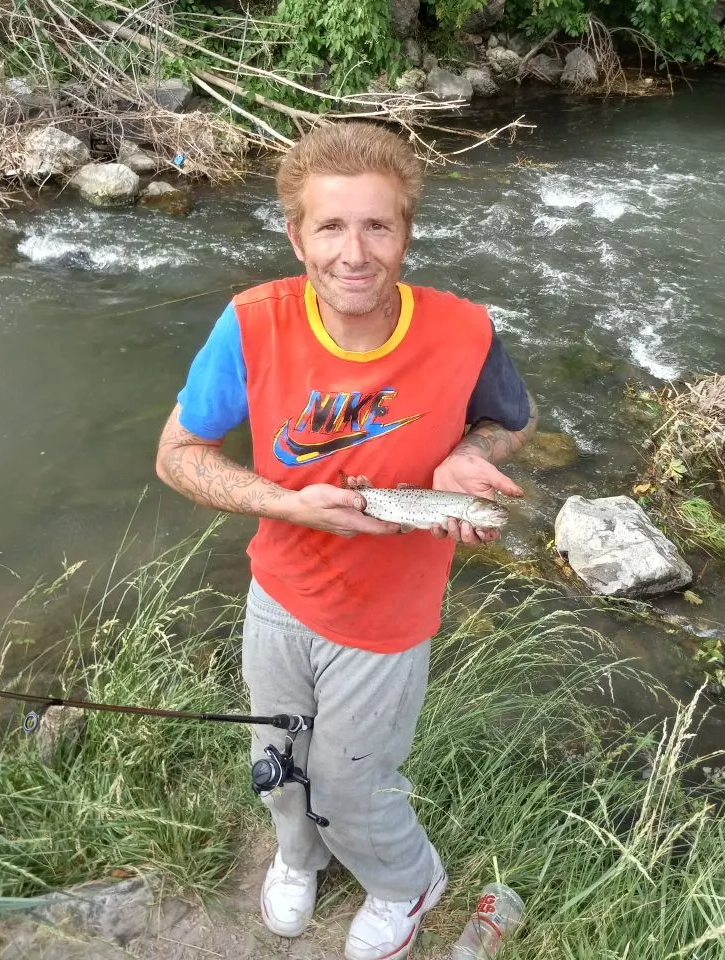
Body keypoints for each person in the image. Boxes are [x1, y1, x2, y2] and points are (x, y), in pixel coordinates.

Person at [155, 120, 537, 960]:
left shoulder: (466, 328)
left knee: (352, 780)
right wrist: (290, 505)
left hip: (390, 616)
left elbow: (510, 421)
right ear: (297, 234)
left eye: (378, 225)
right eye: (331, 226)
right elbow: (178, 456)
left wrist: (469, 456)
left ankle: (409, 883)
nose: (354, 252)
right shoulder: (252, 323)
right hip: (279, 593)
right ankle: (300, 856)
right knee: (277, 760)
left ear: (407, 232)